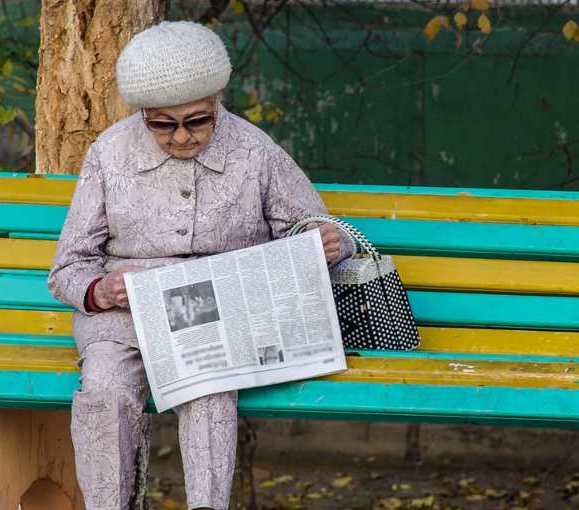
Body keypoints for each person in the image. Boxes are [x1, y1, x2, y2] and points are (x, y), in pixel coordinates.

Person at [48, 20, 354, 510]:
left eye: (198, 120)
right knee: (105, 393)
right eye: (162, 124)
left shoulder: (253, 150)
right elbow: (67, 269)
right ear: (142, 114)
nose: (182, 137)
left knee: (208, 389)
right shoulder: (109, 152)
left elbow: (317, 230)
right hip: (124, 318)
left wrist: (329, 246)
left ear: (217, 103)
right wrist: (101, 290)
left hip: (222, 315)